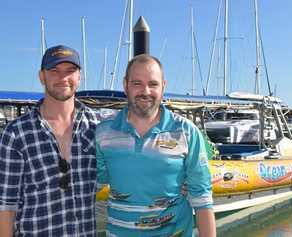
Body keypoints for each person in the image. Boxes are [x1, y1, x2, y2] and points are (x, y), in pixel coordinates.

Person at [96, 54, 216, 236]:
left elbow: (202, 199)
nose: (146, 91)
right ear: (125, 85)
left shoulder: (187, 132)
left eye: (153, 84)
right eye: (137, 83)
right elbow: (90, 184)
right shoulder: (103, 132)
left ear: (163, 87)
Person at [0, 45, 99, 236]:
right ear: (42, 76)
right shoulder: (16, 134)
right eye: (54, 71)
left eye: (70, 71)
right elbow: (6, 206)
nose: (63, 78)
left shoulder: (96, 127)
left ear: (79, 77)